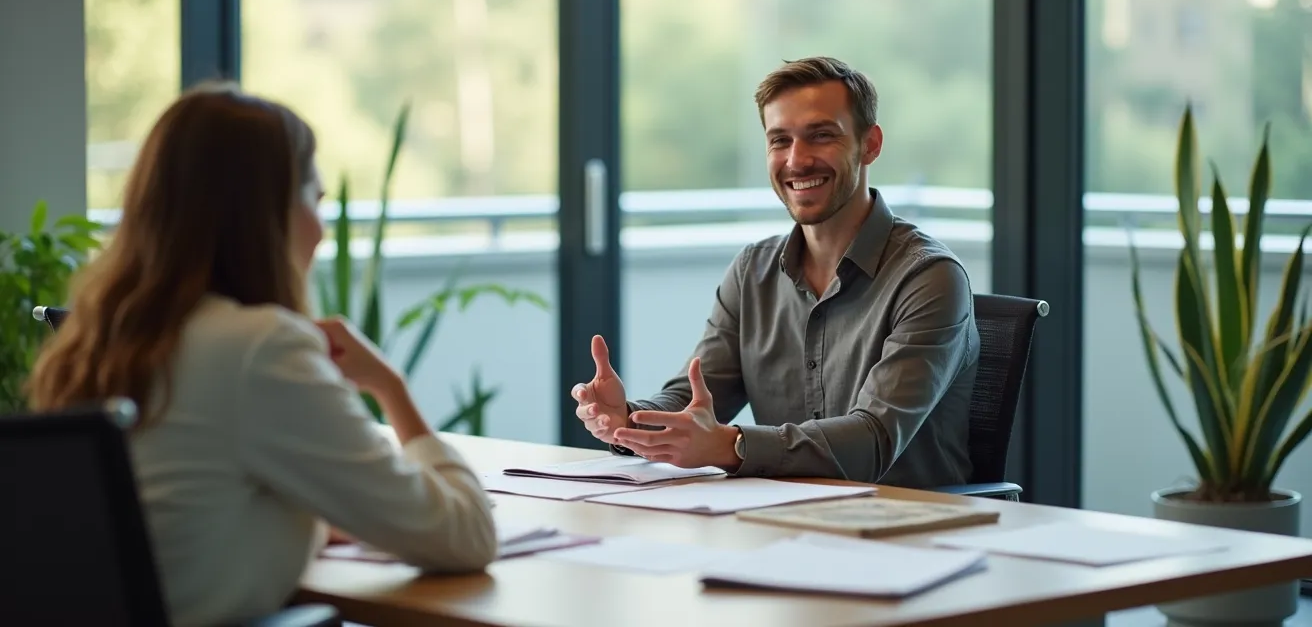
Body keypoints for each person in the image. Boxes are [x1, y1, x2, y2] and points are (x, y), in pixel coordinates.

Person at [26, 83, 497, 626]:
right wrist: (390, 387)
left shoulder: (95, 344)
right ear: (268, 213)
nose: (320, 230)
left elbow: (189, 508)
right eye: (315, 201)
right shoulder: (258, 346)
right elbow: (466, 537)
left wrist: (311, 515)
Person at [573, 56, 978, 488]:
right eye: (779, 140)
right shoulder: (753, 272)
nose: (796, 161)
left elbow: (873, 438)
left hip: (910, 531)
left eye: (821, 136)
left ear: (870, 144)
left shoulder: (929, 278)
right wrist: (626, 420)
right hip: (786, 521)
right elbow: (695, 403)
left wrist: (729, 446)